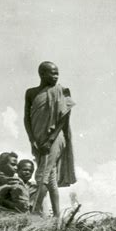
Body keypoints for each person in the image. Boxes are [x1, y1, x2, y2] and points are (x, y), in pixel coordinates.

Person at [24, 61, 77, 216]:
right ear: (42, 74)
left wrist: (50, 140)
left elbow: (64, 119)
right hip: (38, 139)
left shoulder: (63, 91)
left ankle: (34, 213)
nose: (55, 76)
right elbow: (26, 118)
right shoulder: (31, 93)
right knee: (51, 177)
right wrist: (32, 140)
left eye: (57, 73)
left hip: (55, 138)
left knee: (42, 175)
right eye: (52, 73)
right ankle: (57, 216)